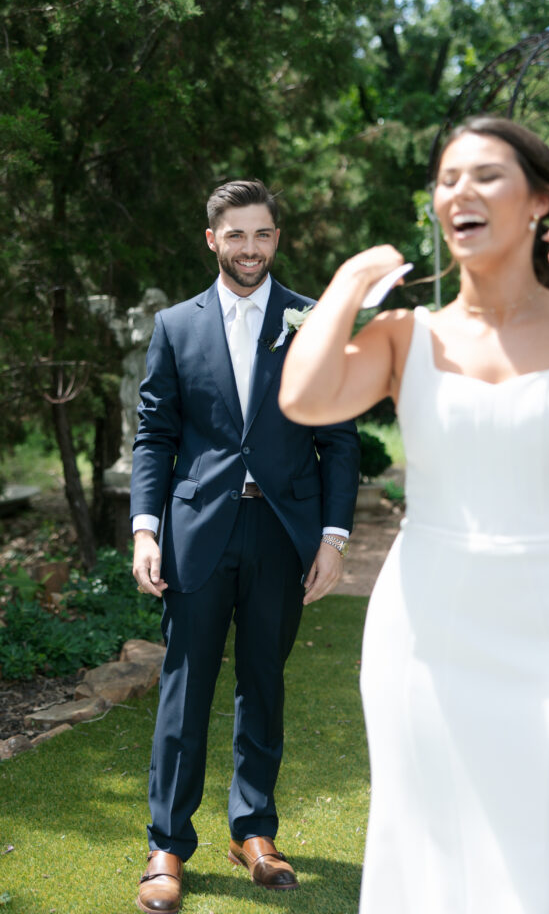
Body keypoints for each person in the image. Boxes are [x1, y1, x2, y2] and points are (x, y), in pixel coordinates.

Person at [279, 115, 549, 914]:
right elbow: (304, 395)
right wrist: (348, 285)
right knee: (425, 854)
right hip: (425, 633)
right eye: (445, 178)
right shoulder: (403, 334)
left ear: (539, 201)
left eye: (485, 175)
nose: (458, 191)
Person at [130, 178, 360, 914]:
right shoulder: (174, 325)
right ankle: (167, 842)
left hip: (282, 534)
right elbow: (155, 436)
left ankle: (253, 831)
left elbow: (339, 437)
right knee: (184, 691)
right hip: (197, 531)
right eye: (236, 235)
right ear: (212, 240)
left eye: (262, 234)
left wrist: (332, 535)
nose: (250, 248)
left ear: (277, 239)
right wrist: (145, 528)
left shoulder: (312, 319)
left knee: (263, 683)